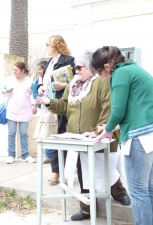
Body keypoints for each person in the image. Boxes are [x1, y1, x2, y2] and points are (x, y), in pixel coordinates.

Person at [36, 50, 131, 221]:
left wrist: (98, 132)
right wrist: (50, 102)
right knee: (83, 174)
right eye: (75, 68)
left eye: (79, 67)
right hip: (77, 139)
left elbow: (107, 108)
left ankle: (119, 193)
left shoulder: (101, 82)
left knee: (106, 169)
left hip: (98, 137)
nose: (76, 71)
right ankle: (87, 208)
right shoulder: (73, 84)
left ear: (89, 67)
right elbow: (65, 106)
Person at [93, 46, 153, 225]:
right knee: (148, 187)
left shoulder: (120, 74)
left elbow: (117, 111)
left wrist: (107, 129)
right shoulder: (135, 69)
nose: (101, 77)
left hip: (139, 139)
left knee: (138, 191)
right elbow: (136, 109)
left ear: (106, 67)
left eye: (99, 73)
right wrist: (110, 128)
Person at [37, 34, 75, 185]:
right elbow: (41, 82)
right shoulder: (48, 64)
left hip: (61, 103)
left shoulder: (69, 60)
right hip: (48, 103)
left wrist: (64, 86)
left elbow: (77, 82)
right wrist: (40, 88)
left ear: (55, 45)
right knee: (52, 137)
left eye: (48, 44)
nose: (46, 47)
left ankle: (57, 172)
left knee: (60, 137)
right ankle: (56, 171)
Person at [3, 61, 37, 164]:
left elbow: (34, 95)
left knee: (23, 133)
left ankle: (25, 155)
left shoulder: (29, 81)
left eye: (16, 70)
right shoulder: (9, 80)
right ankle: (11, 155)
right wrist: (6, 91)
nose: (14, 72)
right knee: (11, 133)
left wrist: (34, 105)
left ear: (23, 71)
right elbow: (3, 89)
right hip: (12, 110)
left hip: (25, 110)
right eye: (13, 70)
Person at [31, 60, 52, 164]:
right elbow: (35, 95)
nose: (39, 71)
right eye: (38, 69)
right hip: (43, 109)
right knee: (44, 131)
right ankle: (47, 154)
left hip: (50, 107)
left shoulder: (49, 80)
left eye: (40, 69)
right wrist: (35, 105)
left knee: (49, 130)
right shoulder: (37, 81)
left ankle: (49, 154)